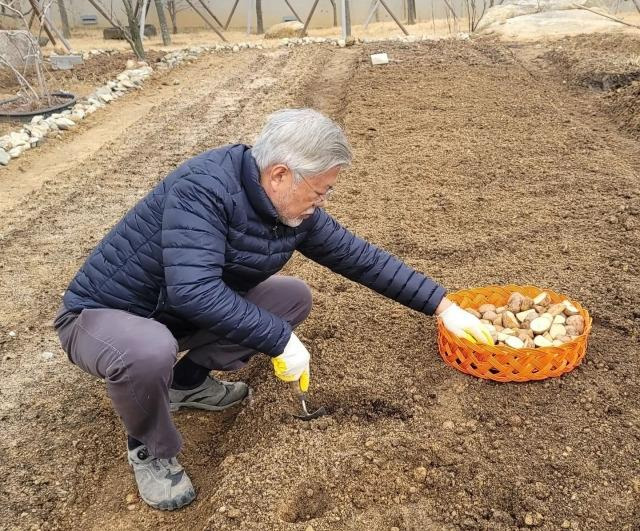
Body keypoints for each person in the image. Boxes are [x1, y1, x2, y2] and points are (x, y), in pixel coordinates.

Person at [54, 108, 492, 511]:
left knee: (290, 297)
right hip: (104, 318)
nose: (322, 201)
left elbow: (361, 258)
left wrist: (442, 305)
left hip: (174, 316)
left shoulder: (290, 211)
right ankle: (150, 448)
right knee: (148, 350)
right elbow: (194, 290)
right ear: (280, 174)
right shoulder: (203, 190)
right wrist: (280, 341)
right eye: (320, 190)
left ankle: (185, 385)